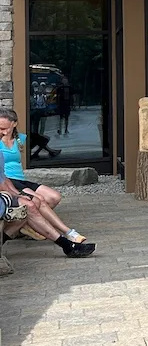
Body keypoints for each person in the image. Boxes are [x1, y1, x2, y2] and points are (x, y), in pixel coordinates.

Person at [0, 108, 94, 258]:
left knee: (43, 200)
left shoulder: (19, 140)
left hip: (15, 182)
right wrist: (18, 194)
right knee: (33, 203)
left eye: (5, 128)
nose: (3, 133)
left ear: (14, 124)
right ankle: (67, 240)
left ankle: (64, 240)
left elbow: (3, 179)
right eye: (0, 129)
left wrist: (18, 194)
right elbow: (4, 181)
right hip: (8, 186)